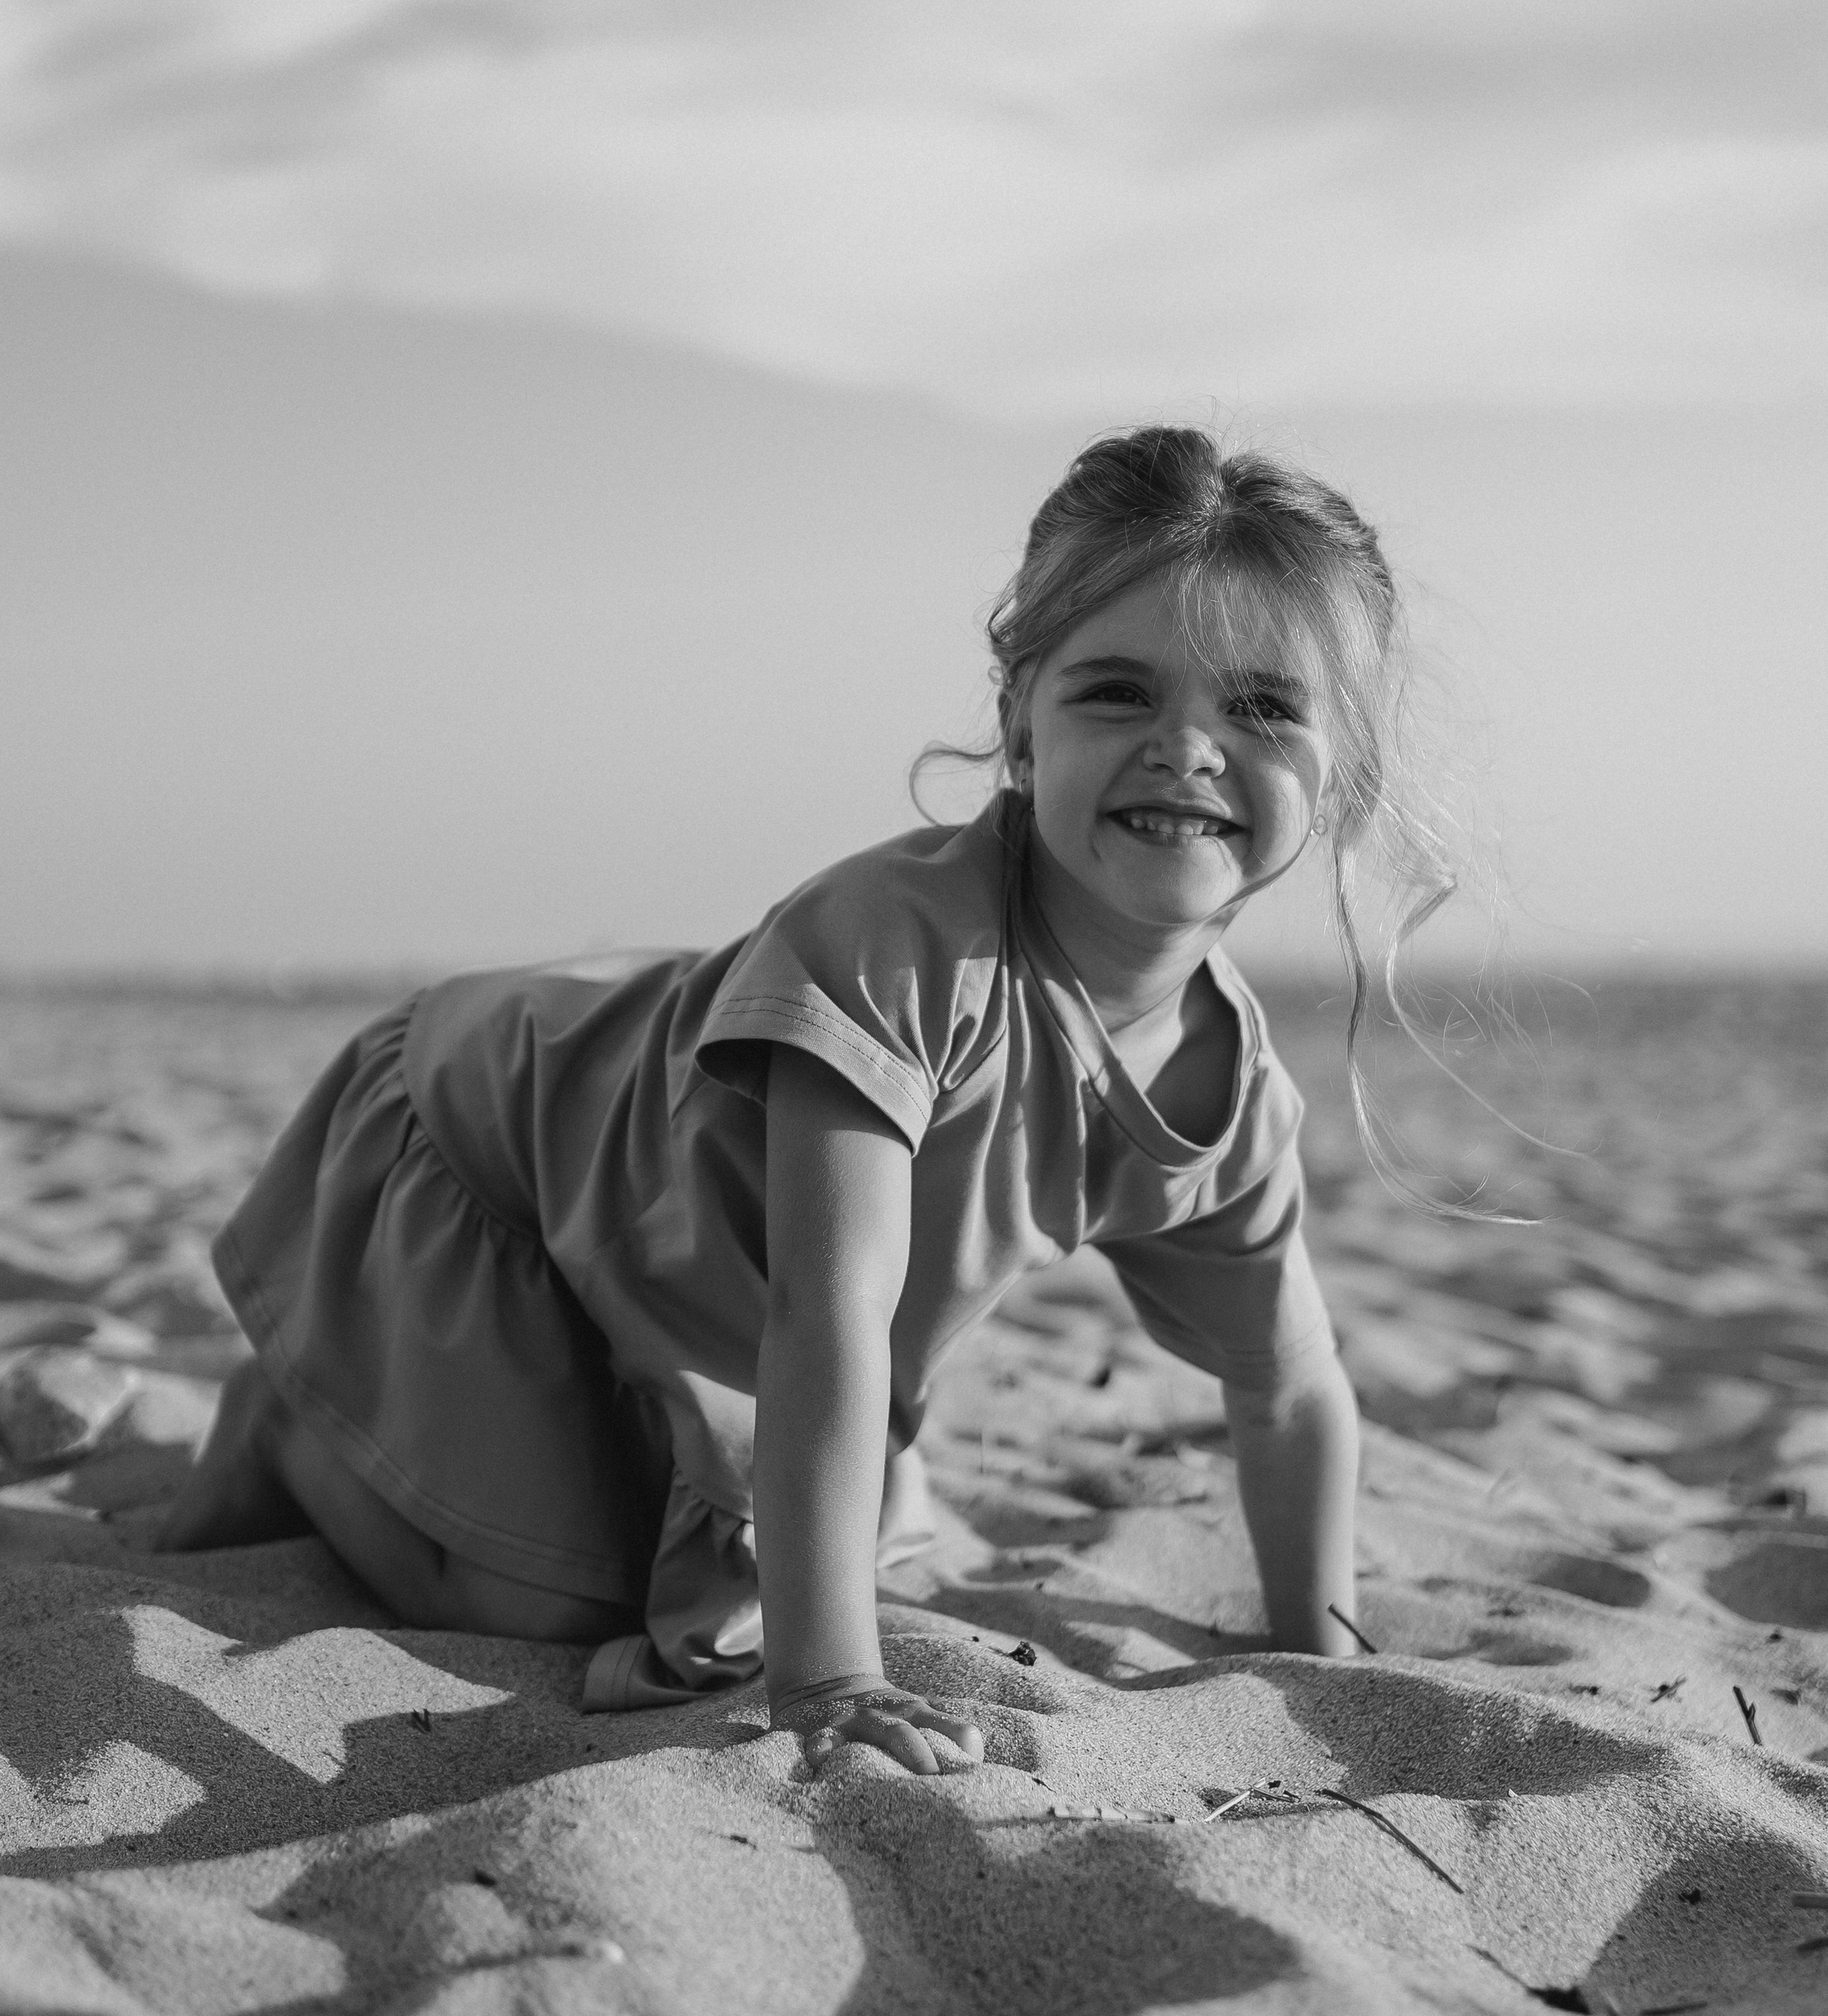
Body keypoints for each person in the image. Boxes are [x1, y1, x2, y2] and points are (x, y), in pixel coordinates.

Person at [159, 426, 1450, 1778]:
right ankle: (300, 1419)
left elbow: (1289, 1383)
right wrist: (830, 1685)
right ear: (1021, 722)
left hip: (708, 1282)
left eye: (1263, 709)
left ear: (1343, 775)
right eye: (1116, 694)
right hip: (503, 1146)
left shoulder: (1227, 1088)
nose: (1186, 750)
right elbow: (823, 1316)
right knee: (546, 1604)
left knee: (856, 1539)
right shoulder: (896, 947)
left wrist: (1322, 1641)